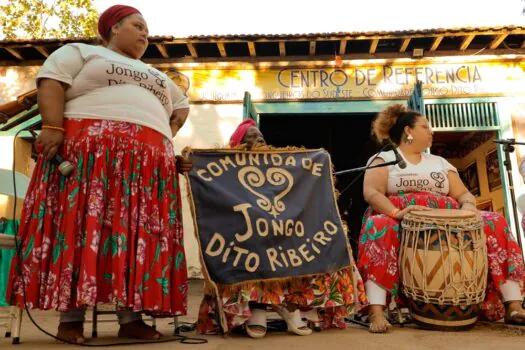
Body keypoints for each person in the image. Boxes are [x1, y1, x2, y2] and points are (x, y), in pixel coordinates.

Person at [8, 5, 192, 343]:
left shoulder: (158, 75)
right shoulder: (82, 53)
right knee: (80, 226)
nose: (144, 35)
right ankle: (71, 319)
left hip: (145, 169)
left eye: (146, 31)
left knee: (136, 235)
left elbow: (180, 108)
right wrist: (51, 125)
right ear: (112, 28)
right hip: (89, 155)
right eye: (137, 26)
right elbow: (51, 83)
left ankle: (131, 318)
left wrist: (164, 141)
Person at [358, 104, 525, 333]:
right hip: (401, 216)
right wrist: (396, 213)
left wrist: (468, 209)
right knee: (378, 225)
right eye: (425, 127)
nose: (431, 132)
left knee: (495, 221)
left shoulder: (439, 162)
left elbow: (463, 194)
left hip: (449, 218)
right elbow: (372, 192)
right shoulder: (384, 158)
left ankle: (513, 305)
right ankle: (376, 311)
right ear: (408, 130)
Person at [196, 119, 367, 338]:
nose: (258, 139)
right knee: (254, 243)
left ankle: (292, 305)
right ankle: (258, 307)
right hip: (250, 231)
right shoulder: (226, 174)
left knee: (321, 240)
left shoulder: (280, 166)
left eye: (261, 137)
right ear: (237, 144)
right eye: (250, 137)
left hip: (284, 230)